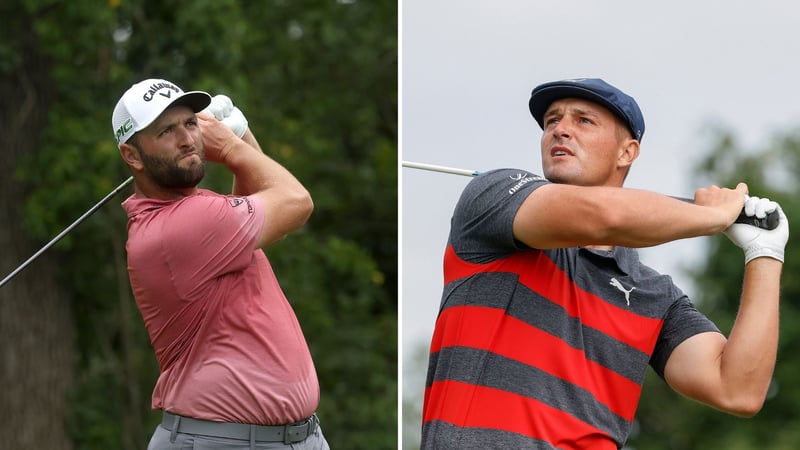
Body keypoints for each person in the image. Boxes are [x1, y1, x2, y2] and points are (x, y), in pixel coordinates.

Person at [420, 78, 789, 449]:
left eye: (583, 121)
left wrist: (765, 254)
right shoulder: (494, 198)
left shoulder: (654, 295)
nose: (560, 130)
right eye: (552, 121)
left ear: (626, 152)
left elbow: (738, 390)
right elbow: (604, 216)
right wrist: (713, 217)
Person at [111, 78, 329, 450]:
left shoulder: (194, 214)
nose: (186, 139)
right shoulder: (181, 224)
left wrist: (242, 138)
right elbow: (296, 202)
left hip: (287, 438)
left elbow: (270, 224)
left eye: (191, 124)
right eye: (166, 131)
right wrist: (231, 144)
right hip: (220, 440)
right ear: (132, 156)